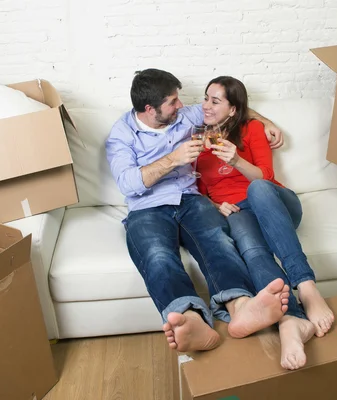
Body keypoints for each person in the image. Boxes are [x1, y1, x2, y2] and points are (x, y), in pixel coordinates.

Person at [105, 69, 289, 354]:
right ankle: (191, 319)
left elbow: (230, 108)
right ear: (150, 109)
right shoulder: (121, 135)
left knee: (217, 241)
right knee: (157, 255)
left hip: (191, 199)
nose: (182, 106)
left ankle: (240, 306)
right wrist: (173, 159)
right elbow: (128, 184)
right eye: (173, 102)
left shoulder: (184, 116)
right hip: (148, 207)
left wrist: (266, 122)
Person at [196, 76, 335, 370]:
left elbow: (266, 178)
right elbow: (195, 191)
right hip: (237, 210)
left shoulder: (251, 128)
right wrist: (214, 205)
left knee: (257, 189)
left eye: (215, 101)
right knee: (250, 247)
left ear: (233, 110)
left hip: (274, 203)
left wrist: (236, 161)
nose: (206, 105)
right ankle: (291, 320)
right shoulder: (195, 141)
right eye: (206, 98)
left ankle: (306, 286)